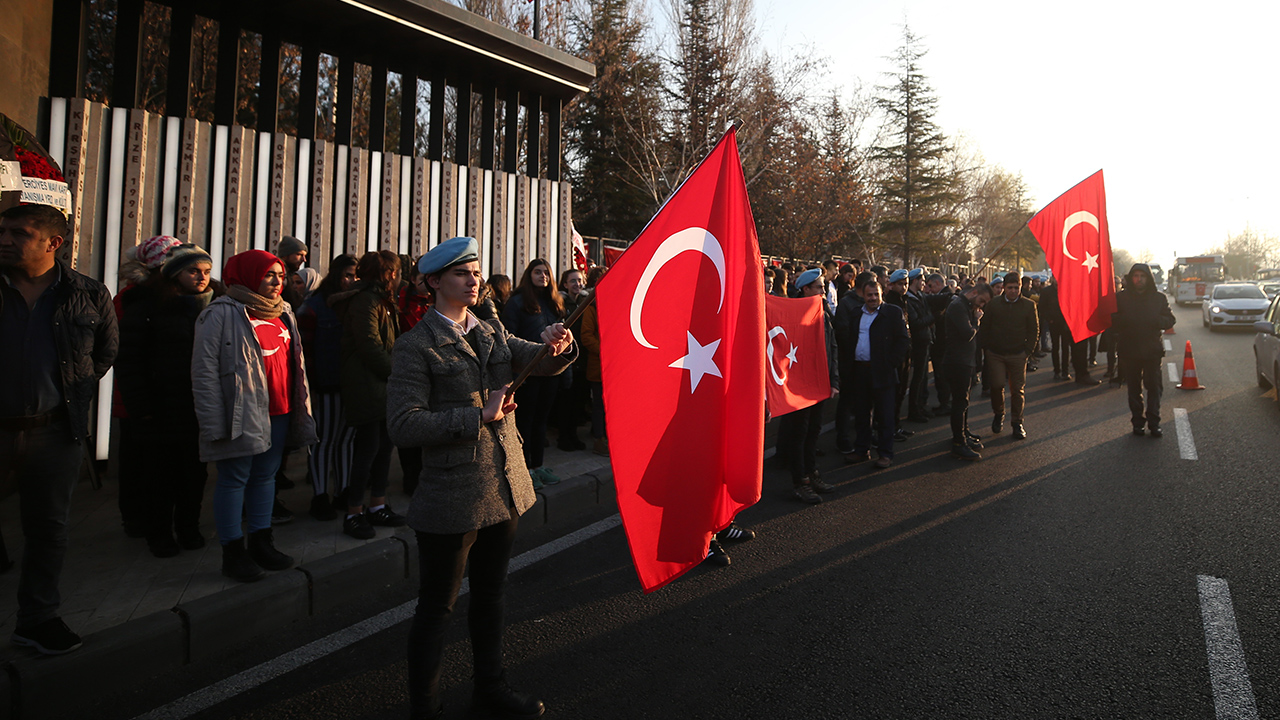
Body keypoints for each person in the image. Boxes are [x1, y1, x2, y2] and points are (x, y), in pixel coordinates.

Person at [389, 236, 575, 720]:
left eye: (475, 272)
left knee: (491, 598)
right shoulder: (415, 345)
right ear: (433, 282)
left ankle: (490, 688)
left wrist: (558, 342)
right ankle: (424, 709)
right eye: (460, 273)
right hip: (452, 496)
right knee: (437, 610)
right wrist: (477, 417)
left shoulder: (490, 328)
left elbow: (535, 359)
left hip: (504, 485)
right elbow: (404, 424)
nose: (473, 279)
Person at [0, 204, 118, 655]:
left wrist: (73, 394)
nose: (6, 239)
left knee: (48, 530)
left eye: (19, 233)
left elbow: (104, 353)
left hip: (55, 432)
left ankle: (37, 619)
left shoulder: (86, 294)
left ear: (54, 243)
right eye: (3, 230)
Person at [192, 249, 317, 582]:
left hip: (280, 410)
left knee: (266, 477)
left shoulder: (284, 312)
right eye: (268, 275)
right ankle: (233, 553)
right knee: (234, 479)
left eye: (280, 275)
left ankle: (262, 543)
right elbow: (204, 373)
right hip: (240, 412)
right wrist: (212, 423)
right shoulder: (220, 314)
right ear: (247, 276)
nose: (277, 282)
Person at [116, 243, 222, 557]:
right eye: (193, 271)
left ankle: (188, 528)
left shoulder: (214, 306)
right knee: (158, 477)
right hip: (160, 409)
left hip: (197, 408)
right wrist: (142, 410)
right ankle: (159, 534)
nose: (201, 278)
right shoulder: (147, 306)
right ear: (175, 273)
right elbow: (130, 361)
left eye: (206, 272)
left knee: (193, 475)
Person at [336, 250, 406, 539]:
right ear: (387, 274)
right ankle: (354, 512)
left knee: (384, 448)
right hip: (367, 384)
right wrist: (398, 372)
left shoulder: (383, 300)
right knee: (367, 450)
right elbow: (369, 346)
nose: (398, 277)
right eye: (395, 272)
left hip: (384, 385)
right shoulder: (365, 300)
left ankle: (378, 505)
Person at [296, 254, 358, 521]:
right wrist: (311, 390)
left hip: (351, 385)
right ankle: (320, 495)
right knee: (324, 441)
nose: (352, 281)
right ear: (334, 274)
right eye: (347, 275)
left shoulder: (357, 304)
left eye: (356, 276)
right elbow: (304, 354)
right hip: (325, 386)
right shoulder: (314, 307)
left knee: (347, 441)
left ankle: (342, 491)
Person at [501, 258, 566, 487]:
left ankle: (538, 465)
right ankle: (525, 469)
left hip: (551, 372)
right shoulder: (517, 302)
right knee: (525, 422)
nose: (543, 277)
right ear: (529, 275)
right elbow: (508, 337)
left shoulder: (555, 303)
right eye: (538, 272)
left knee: (542, 421)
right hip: (527, 372)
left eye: (546, 273)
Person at [834, 278, 910, 469]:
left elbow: (903, 341)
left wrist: (890, 362)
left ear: (882, 294)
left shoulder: (892, 313)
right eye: (869, 295)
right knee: (861, 414)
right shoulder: (855, 314)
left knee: (884, 415)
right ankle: (862, 450)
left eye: (876, 294)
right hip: (859, 371)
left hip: (883, 372)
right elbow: (850, 340)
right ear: (863, 295)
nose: (873, 298)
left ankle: (885, 453)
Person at [782, 269, 839, 502]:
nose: (824, 292)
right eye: (819, 287)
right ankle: (800, 481)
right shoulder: (789, 313)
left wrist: (833, 380)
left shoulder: (823, 313)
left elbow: (832, 347)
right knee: (799, 432)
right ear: (805, 289)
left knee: (813, 430)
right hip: (798, 385)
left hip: (819, 382)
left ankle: (811, 472)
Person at [1112, 263, 1176, 437]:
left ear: (1148, 278)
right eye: (1136, 276)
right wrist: (1124, 320)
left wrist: (1156, 320)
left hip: (1151, 350)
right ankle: (1137, 422)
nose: (1139, 280)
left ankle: (1154, 422)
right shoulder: (1122, 298)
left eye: (1142, 276)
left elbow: (1170, 319)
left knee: (1154, 387)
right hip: (1129, 349)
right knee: (1133, 388)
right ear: (1131, 278)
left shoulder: (1158, 298)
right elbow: (1112, 319)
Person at [978, 271, 1038, 440]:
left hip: (1018, 354)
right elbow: (985, 327)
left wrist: (1028, 351)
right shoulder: (994, 304)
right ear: (1004, 288)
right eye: (1010, 288)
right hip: (995, 353)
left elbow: (1034, 330)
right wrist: (986, 348)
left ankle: (1017, 422)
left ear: (1021, 288)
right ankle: (999, 413)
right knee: (996, 386)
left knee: (1017, 390)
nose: (1013, 291)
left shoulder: (1028, 305)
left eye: (1016, 288)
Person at [942, 283, 993, 460]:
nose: (981, 306)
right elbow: (967, 333)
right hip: (957, 362)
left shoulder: (967, 305)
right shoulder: (958, 306)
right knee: (959, 403)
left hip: (966, 361)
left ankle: (964, 432)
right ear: (973, 292)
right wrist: (976, 321)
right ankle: (958, 442)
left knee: (964, 402)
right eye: (981, 301)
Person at [555, 268, 589, 451]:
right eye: (573, 281)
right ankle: (564, 437)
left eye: (580, 280)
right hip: (566, 358)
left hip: (582, 358)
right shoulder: (560, 302)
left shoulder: (586, 302)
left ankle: (574, 435)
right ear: (565, 284)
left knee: (578, 401)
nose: (577, 284)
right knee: (565, 401)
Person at [579, 266, 609, 457]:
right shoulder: (591, 307)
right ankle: (599, 439)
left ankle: (608, 436)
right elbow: (586, 336)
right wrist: (606, 351)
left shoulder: (619, 304)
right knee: (599, 404)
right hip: (599, 365)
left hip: (616, 368)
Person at [924, 273, 953, 415]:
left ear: (937, 283)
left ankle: (945, 403)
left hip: (942, 342)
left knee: (942, 375)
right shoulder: (947, 296)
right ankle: (945, 402)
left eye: (930, 286)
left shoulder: (947, 297)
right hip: (941, 343)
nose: (928, 290)